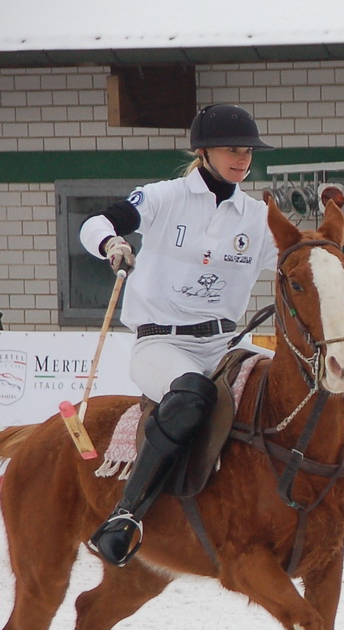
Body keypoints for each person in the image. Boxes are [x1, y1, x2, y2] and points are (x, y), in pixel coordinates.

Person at [78, 104, 281, 567]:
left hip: (223, 344)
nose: (243, 159)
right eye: (232, 150)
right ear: (203, 152)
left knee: (282, 388)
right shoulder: (164, 197)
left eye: (248, 151)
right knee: (191, 396)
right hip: (161, 343)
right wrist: (112, 243)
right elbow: (96, 223)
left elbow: (294, 256)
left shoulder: (256, 215)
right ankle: (126, 514)